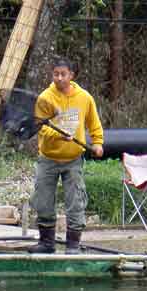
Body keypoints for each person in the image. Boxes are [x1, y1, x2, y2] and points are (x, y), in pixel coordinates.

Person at [28, 58, 104, 254]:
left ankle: (73, 245)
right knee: (42, 200)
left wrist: (97, 143)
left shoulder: (85, 97)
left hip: (73, 160)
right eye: (56, 74)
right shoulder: (45, 98)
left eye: (63, 74)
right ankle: (46, 243)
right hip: (48, 158)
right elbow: (42, 129)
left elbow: (94, 123)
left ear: (72, 75)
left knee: (76, 201)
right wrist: (60, 135)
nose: (59, 78)